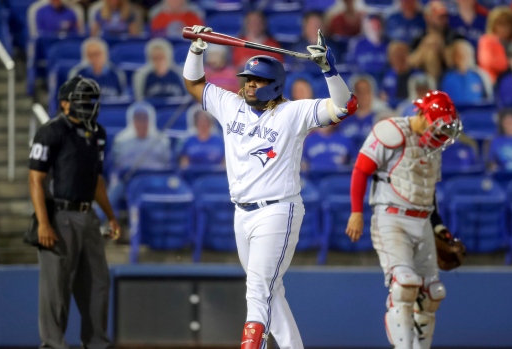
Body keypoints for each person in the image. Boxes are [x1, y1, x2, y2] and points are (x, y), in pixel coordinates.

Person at [183, 25, 357, 349]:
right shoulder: (230, 104)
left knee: (257, 291)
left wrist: (330, 72)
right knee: (269, 291)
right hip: (242, 213)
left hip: (278, 210)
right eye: (247, 79)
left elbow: (344, 107)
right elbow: (193, 83)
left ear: (274, 84)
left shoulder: (293, 112)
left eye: (257, 80)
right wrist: (197, 50)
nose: (249, 85)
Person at [345, 90, 463, 349]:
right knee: (405, 285)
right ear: (422, 115)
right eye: (438, 125)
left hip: (423, 221)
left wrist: (439, 226)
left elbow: (427, 191)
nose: (441, 134)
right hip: (392, 217)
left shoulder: (434, 146)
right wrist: (356, 212)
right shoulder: (391, 131)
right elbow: (361, 169)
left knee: (433, 293)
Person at [29, 76, 119, 349]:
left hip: (88, 215)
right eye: (82, 100)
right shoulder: (51, 131)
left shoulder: (98, 134)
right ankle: (53, 345)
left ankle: (97, 343)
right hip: (59, 214)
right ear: (64, 103)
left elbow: (97, 181)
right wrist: (43, 223)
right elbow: (35, 179)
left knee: (97, 285)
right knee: (56, 290)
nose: (88, 105)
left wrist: (111, 215)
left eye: (91, 100)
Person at [340, 74, 390, 150]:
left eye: (366, 91)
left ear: (372, 93)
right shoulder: (344, 120)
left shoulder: (380, 120)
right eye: (359, 92)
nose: (363, 96)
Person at [478, 6, 512, 83]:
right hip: (493, 81)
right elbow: (488, 62)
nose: (504, 28)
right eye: (500, 24)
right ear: (493, 25)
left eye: (507, 24)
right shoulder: (486, 41)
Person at [440, 39, 493, 104]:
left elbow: (487, 100)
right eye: (458, 54)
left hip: (476, 111)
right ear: (453, 56)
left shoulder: (479, 76)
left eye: (465, 53)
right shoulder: (445, 78)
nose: (462, 57)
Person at [346, 13, 389, 77]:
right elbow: (350, 65)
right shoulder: (356, 44)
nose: (375, 29)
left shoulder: (389, 45)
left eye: (377, 26)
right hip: (363, 80)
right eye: (372, 26)